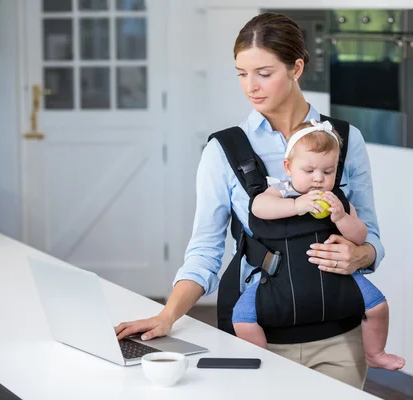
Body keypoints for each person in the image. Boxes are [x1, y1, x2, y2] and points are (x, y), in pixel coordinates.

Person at [115, 12, 386, 388]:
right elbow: (206, 250)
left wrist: (363, 254)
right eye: (242, 73)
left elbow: (370, 233)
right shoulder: (224, 149)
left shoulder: (345, 139)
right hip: (258, 338)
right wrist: (167, 316)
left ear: (296, 67)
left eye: (264, 72)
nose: (251, 87)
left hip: (339, 339)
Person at [231, 119, 405, 371]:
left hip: (335, 277)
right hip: (280, 278)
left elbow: (361, 235)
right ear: (288, 167)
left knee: (378, 306)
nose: (318, 179)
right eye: (309, 170)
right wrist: (296, 205)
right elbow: (258, 208)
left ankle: (375, 353)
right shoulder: (280, 191)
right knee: (242, 318)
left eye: (327, 171)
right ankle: (262, 362)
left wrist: (342, 218)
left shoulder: (338, 201)